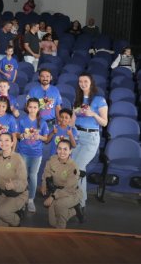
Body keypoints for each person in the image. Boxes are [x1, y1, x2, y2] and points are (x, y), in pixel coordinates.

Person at [71, 73, 108, 209]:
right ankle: (79, 198)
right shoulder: (77, 99)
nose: (83, 84)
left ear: (91, 82)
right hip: (77, 135)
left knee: (78, 167)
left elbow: (104, 122)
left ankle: (80, 202)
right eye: (80, 81)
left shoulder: (99, 99)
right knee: (76, 167)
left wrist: (93, 114)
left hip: (91, 137)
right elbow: (72, 121)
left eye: (85, 81)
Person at [40, 139, 83, 228]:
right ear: (57, 150)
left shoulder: (73, 167)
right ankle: (74, 211)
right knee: (52, 223)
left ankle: (61, 230)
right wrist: (44, 185)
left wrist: (52, 197)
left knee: (60, 205)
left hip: (72, 193)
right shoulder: (53, 159)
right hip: (57, 191)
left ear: (70, 151)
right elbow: (46, 173)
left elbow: (69, 188)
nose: (62, 152)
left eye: (65, 149)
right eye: (59, 149)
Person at [17, 98, 49, 213]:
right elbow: (17, 135)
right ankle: (22, 198)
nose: (32, 109)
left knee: (33, 176)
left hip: (36, 154)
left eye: (35, 107)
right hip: (23, 152)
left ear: (38, 108)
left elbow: (46, 138)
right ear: (27, 107)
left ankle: (31, 200)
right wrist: (22, 136)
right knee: (23, 176)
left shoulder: (43, 122)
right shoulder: (22, 120)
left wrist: (39, 137)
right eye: (30, 107)